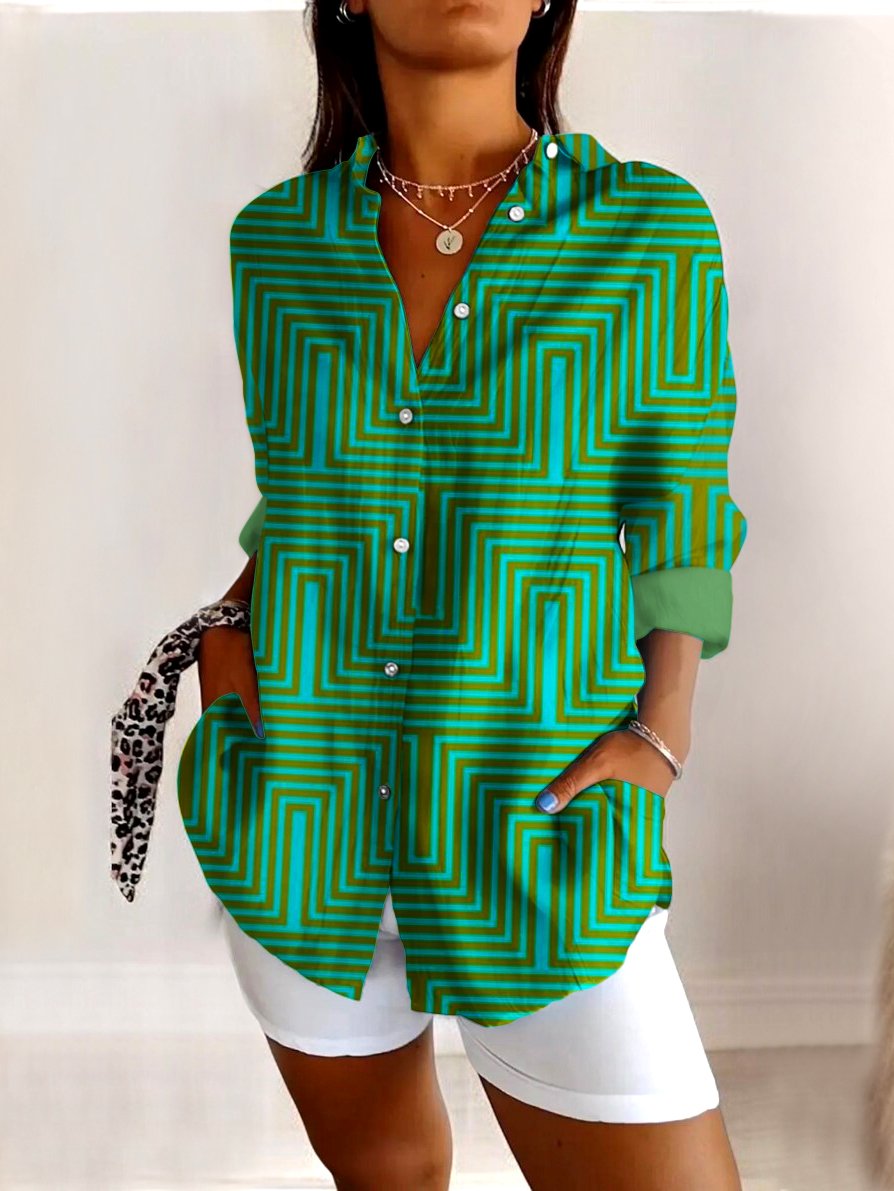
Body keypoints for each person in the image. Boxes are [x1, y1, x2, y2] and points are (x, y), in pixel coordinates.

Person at [187, 0, 748, 1186]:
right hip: (301, 821)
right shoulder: (276, 243)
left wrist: (664, 730)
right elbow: (306, 493)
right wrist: (226, 638)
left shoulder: (646, 231)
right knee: (386, 1174)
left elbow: (683, 505)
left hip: (535, 826)